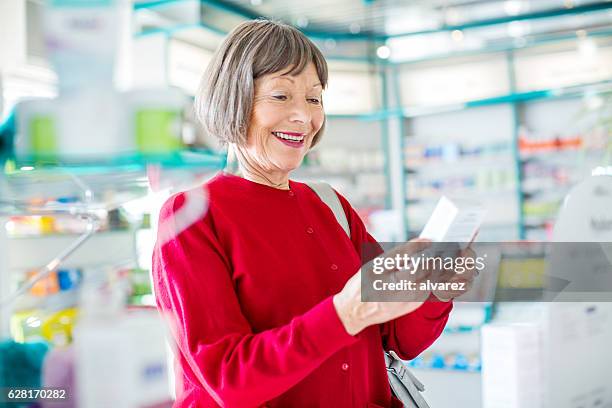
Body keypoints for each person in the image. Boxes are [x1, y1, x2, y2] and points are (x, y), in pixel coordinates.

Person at [152, 19, 476, 408]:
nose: (303, 117)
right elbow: (228, 378)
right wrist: (343, 315)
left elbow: (398, 338)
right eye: (280, 96)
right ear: (234, 98)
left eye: (314, 98)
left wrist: (436, 289)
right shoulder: (192, 216)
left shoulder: (331, 206)